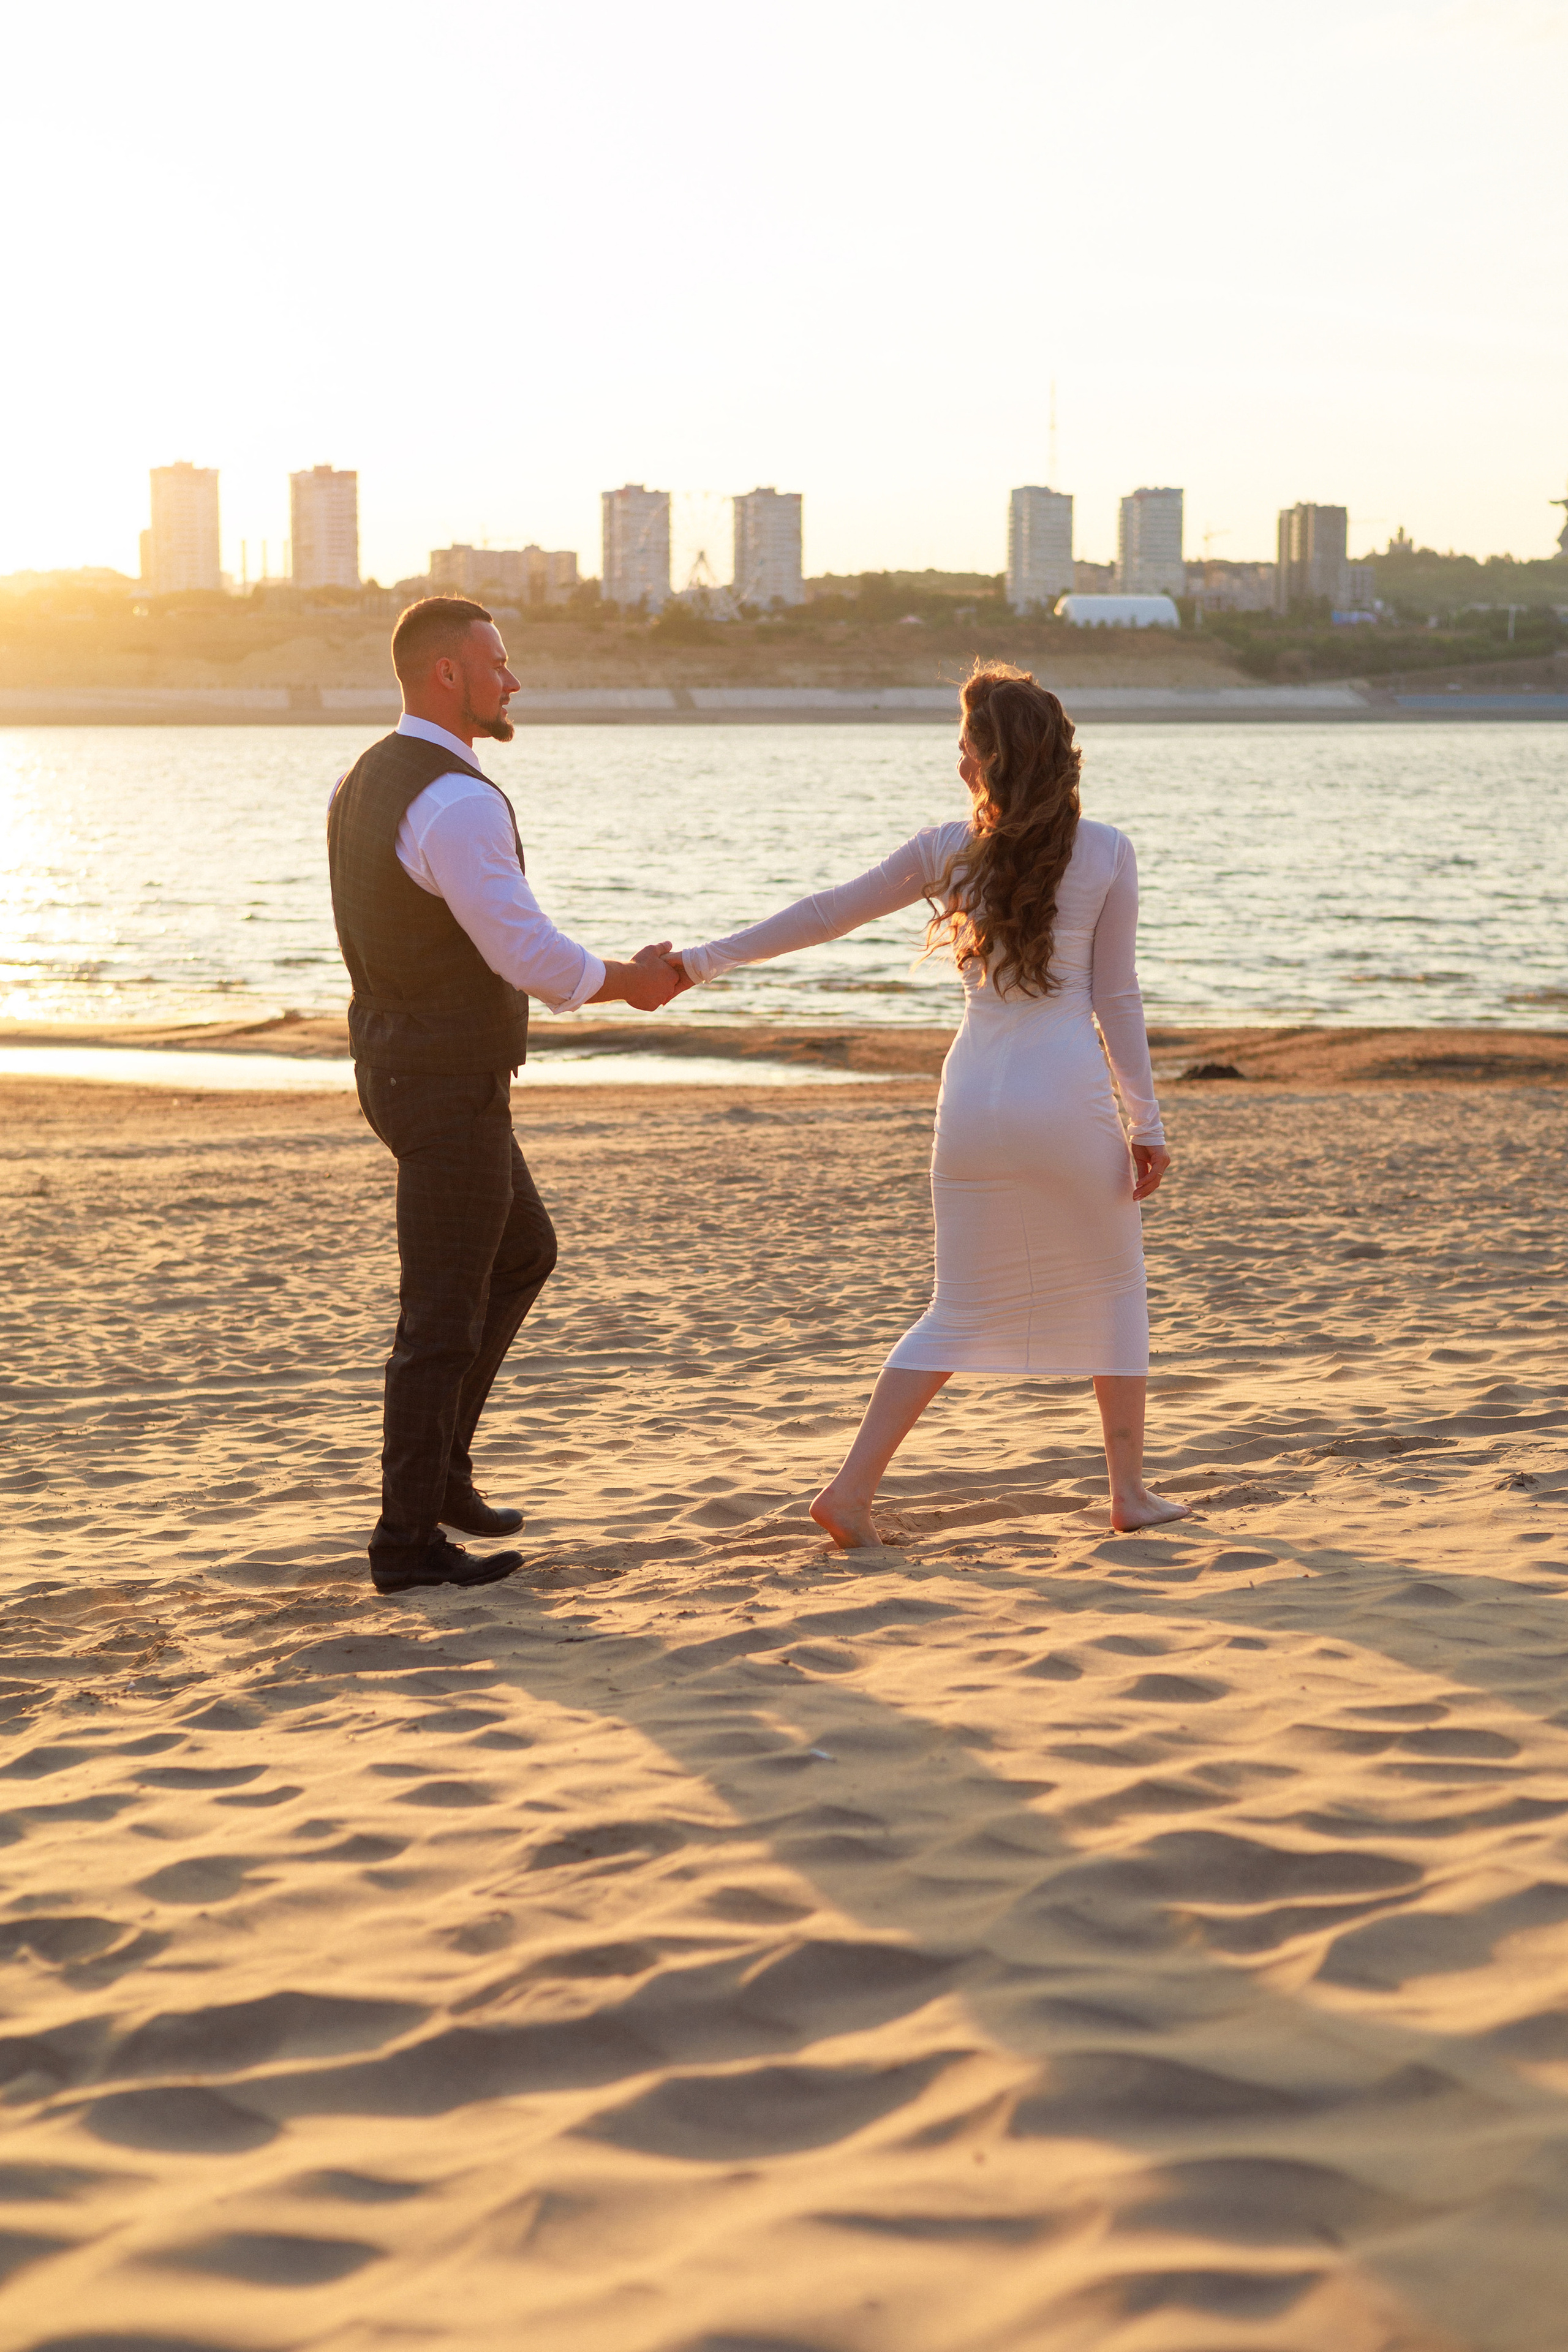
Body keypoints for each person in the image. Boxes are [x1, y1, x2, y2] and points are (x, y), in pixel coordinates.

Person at [672, 661, 1189, 1548]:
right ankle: (1129, 1493)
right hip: (1064, 1095)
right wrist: (1147, 1122)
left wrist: (698, 962)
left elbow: (824, 914)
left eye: (966, 752)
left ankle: (851, 1488)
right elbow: (1118, 1000)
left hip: (973, 1098)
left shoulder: (943, 850)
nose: (959, 768)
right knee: (1112, 1289)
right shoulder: (1107, 851)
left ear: (996, 762)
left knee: (958, 1307)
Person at [327, 597, 685, 1597]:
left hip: (398, 1069)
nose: (512, 680)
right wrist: (631, 978)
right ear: (447, 675)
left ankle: (444, 1475)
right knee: (438, 1317)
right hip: (441, 1083)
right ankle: (405, 1543)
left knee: (524, 1251)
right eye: (497, 663)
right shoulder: (460, 802)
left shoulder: (365, 778)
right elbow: (526, 953)